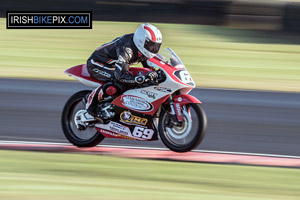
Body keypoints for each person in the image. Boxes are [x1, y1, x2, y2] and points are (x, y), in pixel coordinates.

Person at [85, 23, 162, 119]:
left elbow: (150, 68)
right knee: (118, 82)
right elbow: (120, 75)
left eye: (156, 46)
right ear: (142, 41)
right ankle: (91, 100)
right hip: (97, 63)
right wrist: (140, 78)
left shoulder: (143, 49)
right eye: (151, 46)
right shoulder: (126, 48)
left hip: (115, 66)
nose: (153, 49)